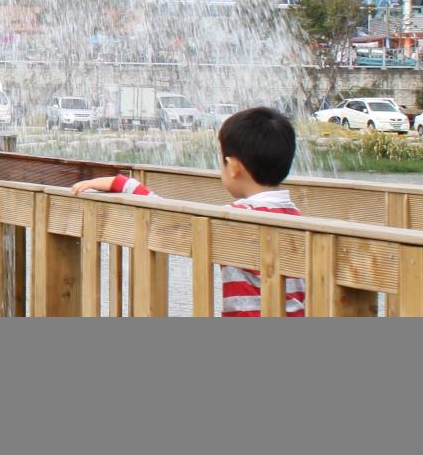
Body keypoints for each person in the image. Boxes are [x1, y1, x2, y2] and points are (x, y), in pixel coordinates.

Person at [71, 106, 304, 316]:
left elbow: (166, 218)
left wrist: (121, 183)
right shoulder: (299, 220)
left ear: (233, 167)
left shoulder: (235, 219)